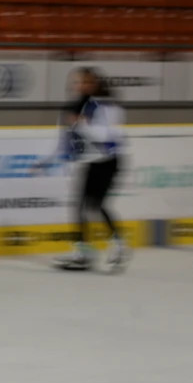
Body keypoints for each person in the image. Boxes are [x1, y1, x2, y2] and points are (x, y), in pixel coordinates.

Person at [37, 66, 130, 272]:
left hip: (108, 160)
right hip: (90, 161)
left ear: (95, 83)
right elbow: (66, 138)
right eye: (78, 82)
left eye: (85, 82)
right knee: (79, 207)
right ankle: (83, 252)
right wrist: (49, 160)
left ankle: (119, 246)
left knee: (97, 205)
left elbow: (106, 136)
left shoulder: (108, 107)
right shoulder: (77, 106)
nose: (80, 86)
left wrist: (82, 125)